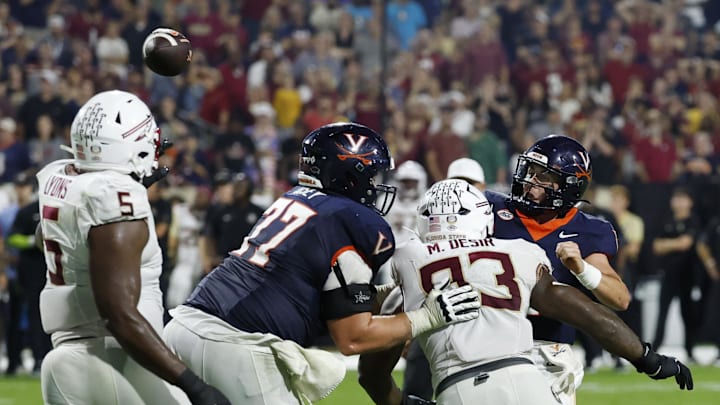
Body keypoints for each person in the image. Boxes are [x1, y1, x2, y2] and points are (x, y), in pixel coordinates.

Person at [162, 122, 482, 404]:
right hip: (233, 342)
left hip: (185, 328)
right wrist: (428, 316)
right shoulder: (351, 220)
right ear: (349, 175)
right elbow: (353, 337)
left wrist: (384, 293)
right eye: (372, 174)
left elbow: (325, 294)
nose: (376, 184)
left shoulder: (297, 199)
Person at [358, 179, 693, 405]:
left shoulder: (408, 259)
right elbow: (587, 314)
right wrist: (646, 358)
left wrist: (401, 401)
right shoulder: (517, 251)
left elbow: (372, 371)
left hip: (461, 387)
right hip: (529, 381)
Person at [36, 90, 229, 405]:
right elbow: (120, 315)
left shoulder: (62, 178)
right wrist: (196, 387)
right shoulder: (115, 199)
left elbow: (49, 237)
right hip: (114, 361)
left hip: (74, 359)